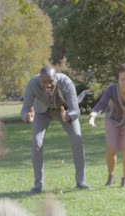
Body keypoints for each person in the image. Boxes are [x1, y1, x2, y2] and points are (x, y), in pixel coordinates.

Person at [21, 65, 90, 194]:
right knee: (36, 142)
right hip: (42, 112)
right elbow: (25, 108)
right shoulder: (32, 84)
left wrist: (68, 116)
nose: (48, 85)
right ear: (39, 79)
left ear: (56, 79)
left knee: (77, 139)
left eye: (51, 81)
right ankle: (38, 185)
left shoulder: (66, 83)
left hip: (64, 111)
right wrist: (27, 117)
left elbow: (76, 109)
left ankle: (81, 182)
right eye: (44, 82)